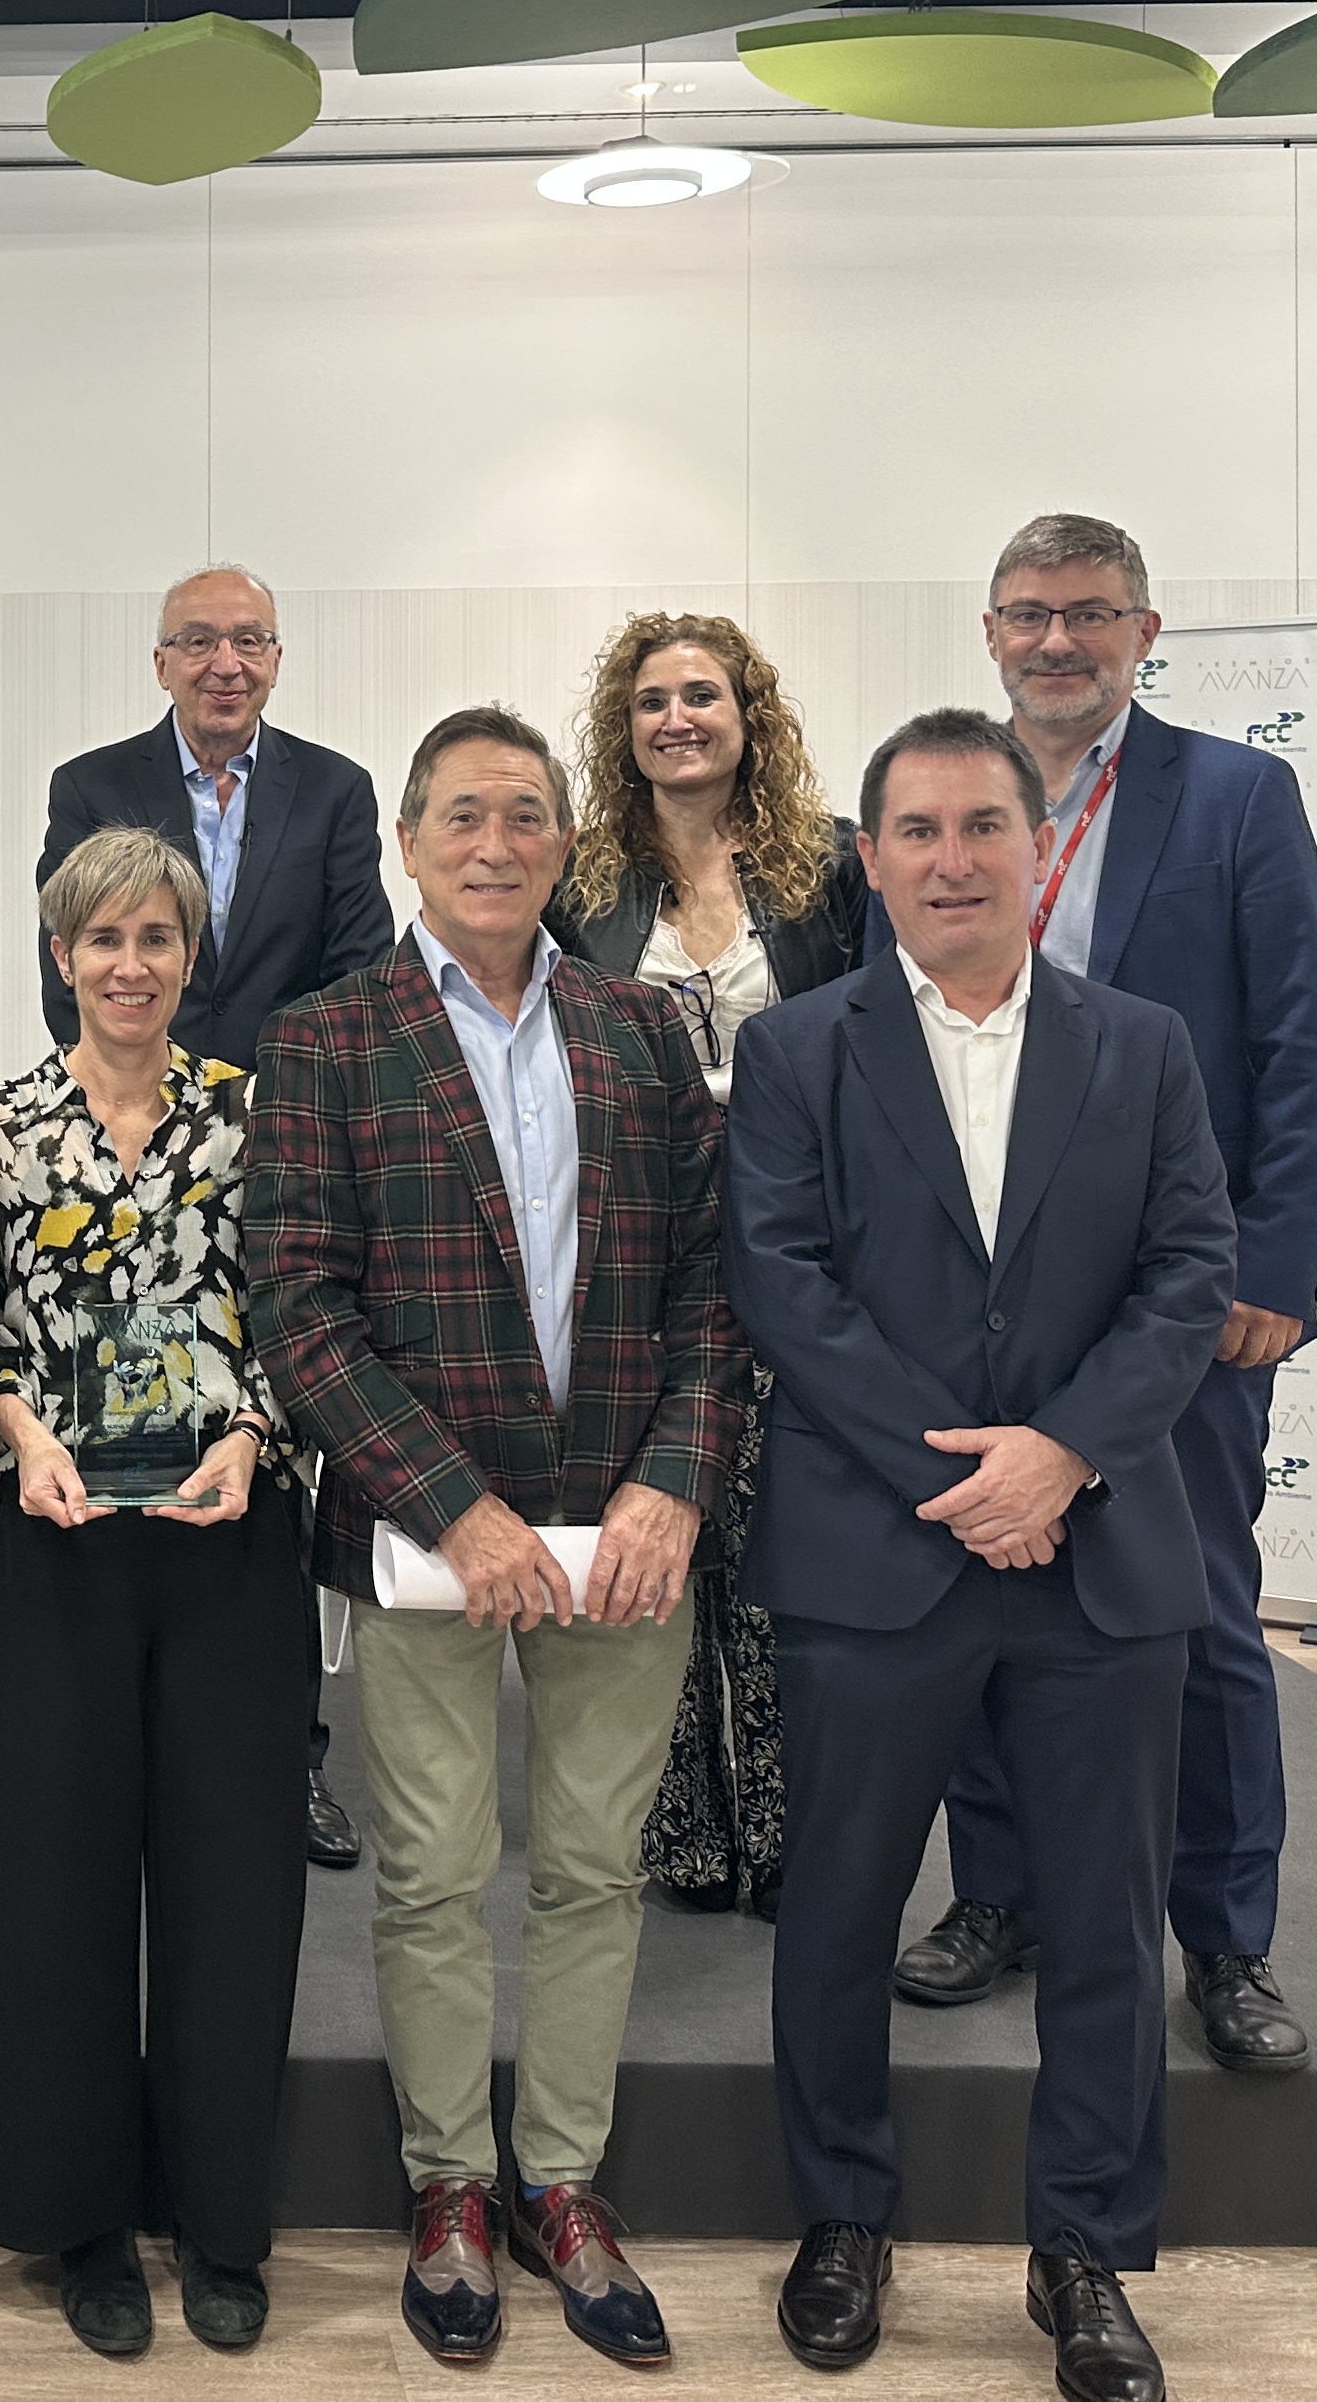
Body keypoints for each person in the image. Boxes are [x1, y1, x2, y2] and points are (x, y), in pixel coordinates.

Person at [727, 708, 1236, 2402]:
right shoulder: (795, 1051)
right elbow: (783, 1283)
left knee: (1103, 1926)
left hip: (1099, 1556)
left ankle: (1084, 2246)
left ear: (1039, 847)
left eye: (982, 826)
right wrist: (961, 1474)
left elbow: (1188, 1272)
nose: (952, 859)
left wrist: (1062, 1453)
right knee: (840, 1911)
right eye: (917, 831)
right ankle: (840, 2217)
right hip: (874, 1557)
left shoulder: (1145, 1046)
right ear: (869, 861)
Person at [247, 705, 740, 2371]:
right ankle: (449, 2182)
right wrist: (452, 1504)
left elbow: (714, 1284)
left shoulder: (645, 1030)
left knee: (598, 1866)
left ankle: (562, 2181)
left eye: (526, 813)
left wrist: (676, 1477)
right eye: (461, 813)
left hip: (625, 1529)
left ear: (563, 845)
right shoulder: (327, 1039)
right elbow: (297, 1306)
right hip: (429, 1536)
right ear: (407, 843)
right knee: (434, 1869)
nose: (495, 842)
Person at [887, 515, 1317, 2079]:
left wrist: (1272, 1265)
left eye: (1090, 614)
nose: (1056, 641)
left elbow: (1306, 1043)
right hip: (976, 1287)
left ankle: (1224, 1936)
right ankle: (1004, 1895)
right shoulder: (947, 802)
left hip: (1179, 1294)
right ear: (989, 630)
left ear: (1146, 633)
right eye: (1029, 613)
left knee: (1198, 1612)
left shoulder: (1234, 799)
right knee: (981, 1599)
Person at [0, 825, 307, 2363]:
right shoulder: (0, 1129)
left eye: (158, 937)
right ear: (61, 955)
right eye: (104, 938)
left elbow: (302, 1307)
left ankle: (220, 2219)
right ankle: (82, 2218)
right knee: (61, 1883)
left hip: (230, 1538)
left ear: (190, 954)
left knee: (237, 1889)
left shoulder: (254, 1117)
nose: (131, 964)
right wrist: (22, 1439)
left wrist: (253, 1430)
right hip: (66, 1536)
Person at [39, 562, 394, 1871]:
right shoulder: (93, 784)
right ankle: (127, 1742)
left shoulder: (336, 791)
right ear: (161, 662)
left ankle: (287, 1757)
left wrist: (260, 1099)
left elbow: (357, 969)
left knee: (270, 1443)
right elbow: (71, 962)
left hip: (286, 1144)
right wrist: (166, 1092)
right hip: (130, 1148)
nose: (224, 662)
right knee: (129, 1428)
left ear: (277, 658)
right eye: (198, 641)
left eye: (248, 640)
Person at [551, 611, 867, 1922]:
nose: (676, 719)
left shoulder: (830, 868)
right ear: (622, 730)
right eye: (651, 702)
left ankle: (796, 1831)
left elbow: (874, 1051)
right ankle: (683, 1826)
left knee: (784, 1539)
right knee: (660, 1526)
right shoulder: (583, 882)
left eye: (702, 696)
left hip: (796, 1242)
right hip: (642, 1247)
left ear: (750, 717)